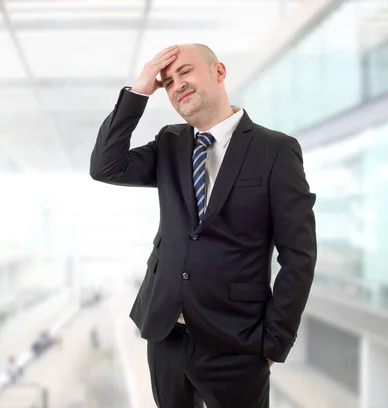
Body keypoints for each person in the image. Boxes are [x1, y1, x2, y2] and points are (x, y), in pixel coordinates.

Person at [89, 44, 317, 408]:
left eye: (185, 72)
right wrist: (140, 90)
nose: (176, 84)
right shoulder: (169, 142)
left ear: (219, 72)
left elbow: (299, 256)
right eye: (167, 82)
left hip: (236, 343)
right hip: (166, 336)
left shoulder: (276, 150)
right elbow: (106, 166)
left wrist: (274, 342)